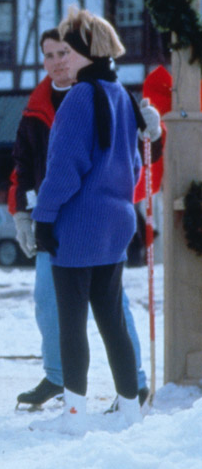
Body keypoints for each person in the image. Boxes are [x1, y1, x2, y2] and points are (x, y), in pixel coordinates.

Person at [10, 28, 161, 411]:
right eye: (49, 55)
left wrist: (153, 133)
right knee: (53, 305)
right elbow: (23, 166)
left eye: (64, 52)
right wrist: (22, 213)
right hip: (70, 219)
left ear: (81, 53)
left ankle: (124, 390)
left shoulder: (95, 95)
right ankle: (61, 379)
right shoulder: (38, 107)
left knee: (100, 313)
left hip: (75, 222)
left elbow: (131, 159)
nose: (58, 61)